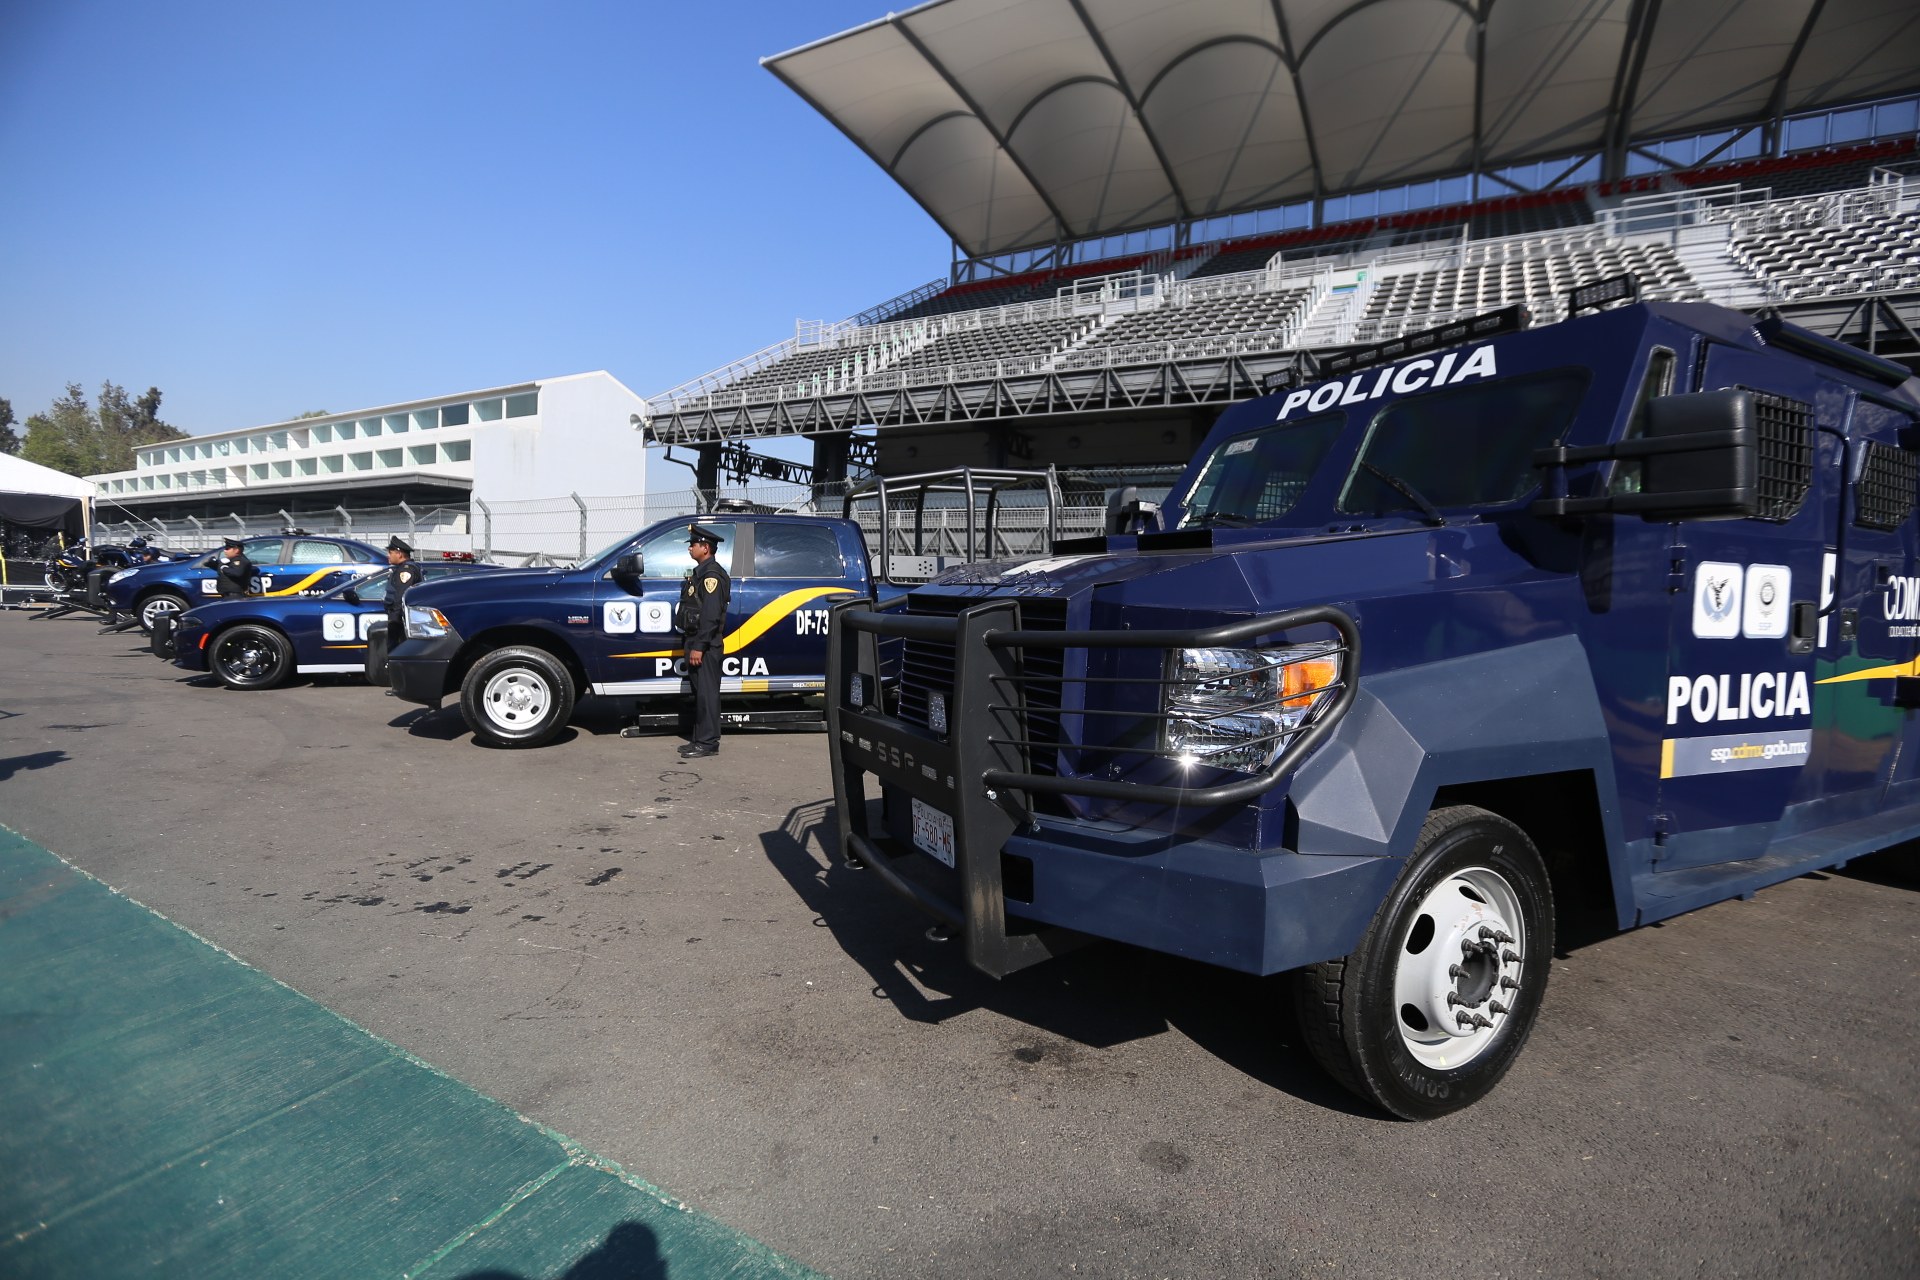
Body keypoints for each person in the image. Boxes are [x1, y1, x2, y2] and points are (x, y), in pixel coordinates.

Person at [677, 524, 730, 759]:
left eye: (694, 544)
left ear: (705, 548)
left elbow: (710, 616)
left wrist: (699, 647)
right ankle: (699, 739)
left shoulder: (712, 576)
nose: (690, 548)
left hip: (705, 647)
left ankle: (708, 743)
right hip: (696, 643)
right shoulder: (700, 573)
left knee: (707, 695)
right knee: (701, 695)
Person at [384, 535, 423, 639]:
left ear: (399, 554)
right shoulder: (401, 568)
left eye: (390, 553)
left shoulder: (406, 570)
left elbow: (401, 595)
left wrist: (394, 620)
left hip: (399, 619)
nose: (388, 555)